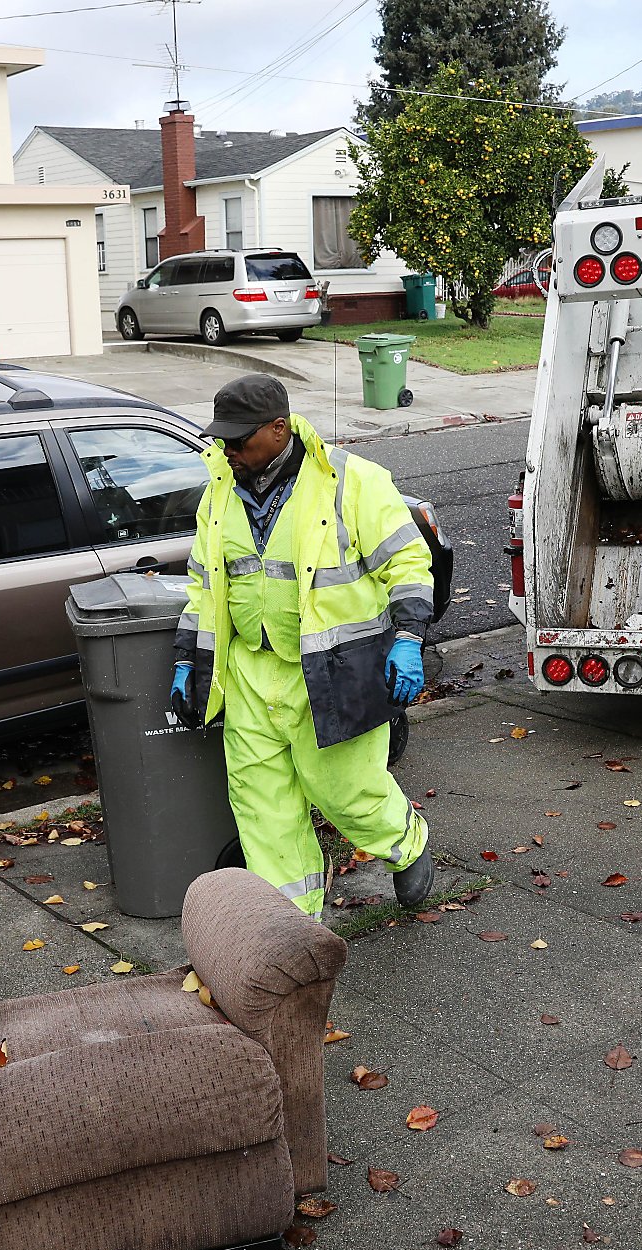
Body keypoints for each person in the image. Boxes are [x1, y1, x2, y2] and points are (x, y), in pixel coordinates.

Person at [169, 374, 435, 920]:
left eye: (240, 439)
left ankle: (404, 840)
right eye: (222, 438)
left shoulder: (349, 481)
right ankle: (290, 926)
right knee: (262, 807)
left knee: (345, 791)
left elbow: (407, 562)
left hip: (328, 672)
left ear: (278, 428)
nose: (229, 450)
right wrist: (184, 658)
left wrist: (408, 638)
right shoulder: (219, 492)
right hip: (248, 673)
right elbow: (203, 582)